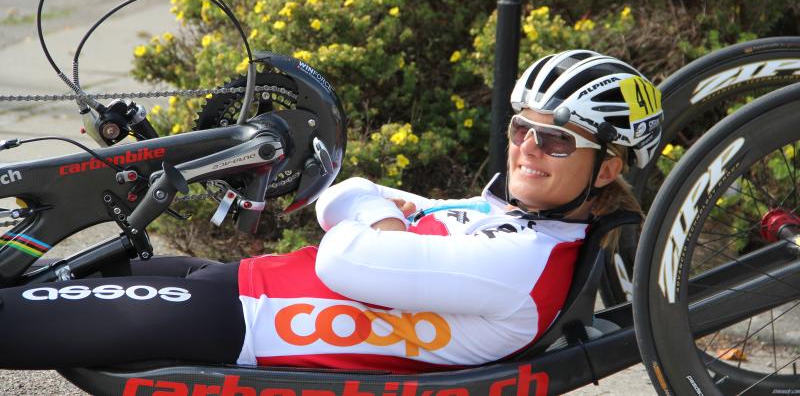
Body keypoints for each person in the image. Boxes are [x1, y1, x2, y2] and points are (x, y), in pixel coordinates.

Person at [0, 50, 662, 373]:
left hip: (233, 326)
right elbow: (348, 195)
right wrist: (383, 217)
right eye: (522, 128)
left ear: (606, 167)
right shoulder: (508, 218)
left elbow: (350, 255)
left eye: (554, 140)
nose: (526, 148)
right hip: (225, 287)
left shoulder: (520, 263)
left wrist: (383, 220)